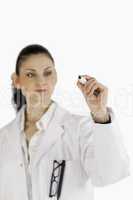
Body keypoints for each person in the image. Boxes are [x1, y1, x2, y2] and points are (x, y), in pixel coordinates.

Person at [0, 44, 130, 200]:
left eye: (47, 73)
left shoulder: (79, 129)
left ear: (55, 76)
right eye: (30, 75)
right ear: (16, 80)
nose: (41, 81)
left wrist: (101, 115)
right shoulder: (4, 138)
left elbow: (109, 175)